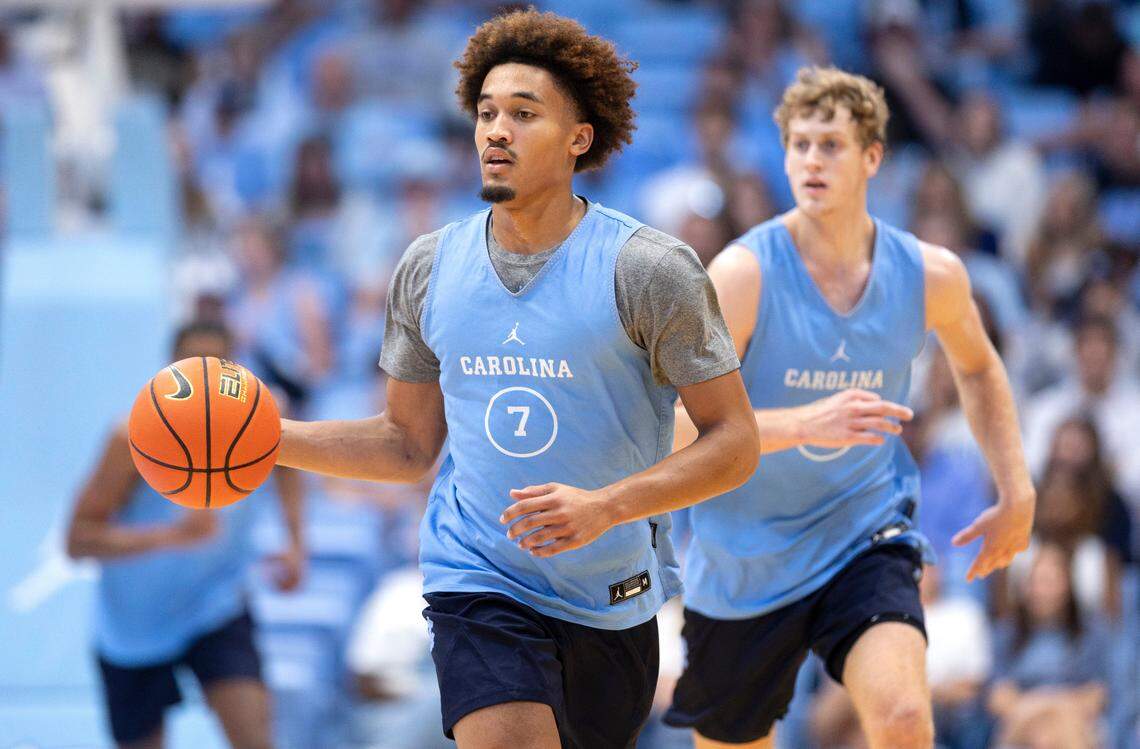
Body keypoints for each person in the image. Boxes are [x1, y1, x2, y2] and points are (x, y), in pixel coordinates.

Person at [275, 10, 760, 749]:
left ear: (579, 138)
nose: (495, 131)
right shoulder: (429, 267)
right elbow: (407, 444)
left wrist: (607, 506)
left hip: (612, 593)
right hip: (479, 575)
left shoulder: (650, 269)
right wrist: (268, 438)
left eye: (523, 114)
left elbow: (735, 442)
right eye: (487, 112)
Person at [664, 66, 1035, 749]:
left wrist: (1016, 485)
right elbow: (674, 425)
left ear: (872, 157)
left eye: (830, 144)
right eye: (799, 144)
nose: (811, 159)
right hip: (745, 554)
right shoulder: (743, 275)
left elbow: (980, 367)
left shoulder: (929, 273)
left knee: (900, 716)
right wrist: (804, 424)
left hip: (863, 535)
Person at [66, 320, 306, 749]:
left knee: (255, 739)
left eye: (216, 367)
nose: (203, 379)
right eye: (191, 367)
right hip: (135, 623)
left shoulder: (264, 418)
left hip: (215, 603)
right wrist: (169, 536)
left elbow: (288, 470)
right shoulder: (131, 439)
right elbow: (77, 540)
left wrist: (295, 544)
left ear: (235, 372)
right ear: (168, 372)